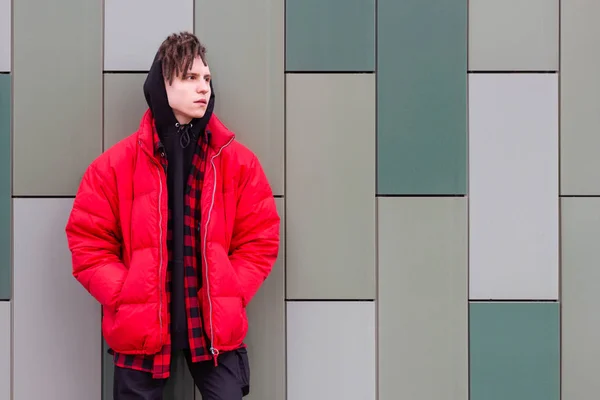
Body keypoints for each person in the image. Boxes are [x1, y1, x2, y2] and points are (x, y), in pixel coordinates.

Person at [65, 31, 280, 400]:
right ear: (161, 84)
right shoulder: (113, 167)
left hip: (213, 328)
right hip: (141, 330)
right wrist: (125, 293)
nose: (203, 88)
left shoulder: (236, 162)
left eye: (207, 79)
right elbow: (88, 242)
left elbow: (260, 238)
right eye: (190, 77)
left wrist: (232, 289)